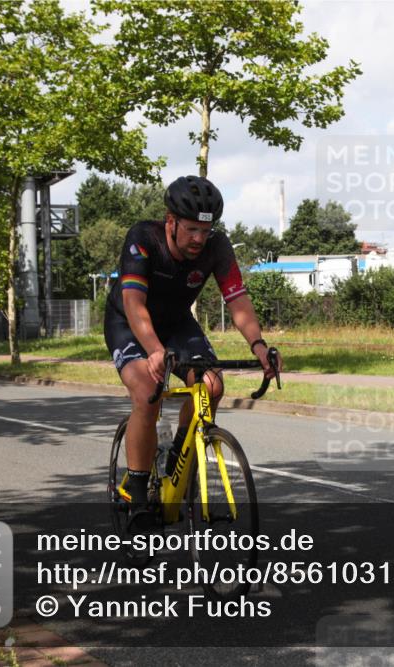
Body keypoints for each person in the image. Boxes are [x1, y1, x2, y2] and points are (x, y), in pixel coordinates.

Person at [104, 175, 282, 522]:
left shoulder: (217, 247)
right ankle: (138, 494)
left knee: (212, 384)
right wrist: (155, 350)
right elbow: (134, 304)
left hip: (175, 323)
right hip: (129, 321)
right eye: (191, 230)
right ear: (171, 222)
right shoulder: (143, 239)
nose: (200, 239)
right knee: (147, 389)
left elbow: (237, 299)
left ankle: (177, 458)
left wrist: (259, 346)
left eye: (206, 231)